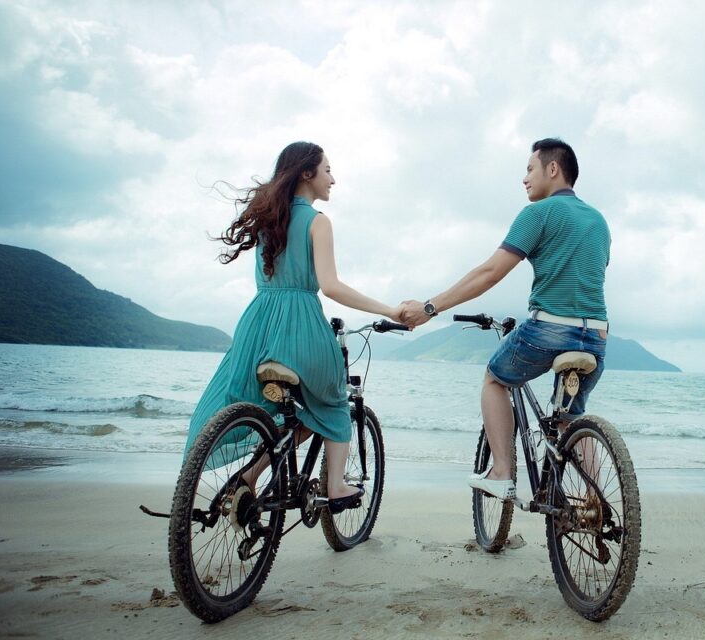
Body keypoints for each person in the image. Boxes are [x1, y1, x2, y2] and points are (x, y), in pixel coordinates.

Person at [184, 141, 405, 514]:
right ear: (308, 173)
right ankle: (335, 485)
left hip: (258, 326)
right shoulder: (318, 221)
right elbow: (331, 286)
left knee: (290, 412)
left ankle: (250, 477)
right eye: (328, 170)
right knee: (333, 402)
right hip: (301, 324)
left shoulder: (268, 220)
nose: (333, 179)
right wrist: (390, 310)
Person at [401, 138, 610, 500]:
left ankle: (501, 473)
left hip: (548, 331)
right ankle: (597, 499)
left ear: (553, 169)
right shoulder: (598, 221)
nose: (524, 178)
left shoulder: (537, 214)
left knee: (495, 379)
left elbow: (489, 274)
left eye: (530, 169)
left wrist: (430, 307)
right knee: (570, 419)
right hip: (596, 337)